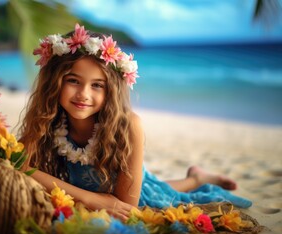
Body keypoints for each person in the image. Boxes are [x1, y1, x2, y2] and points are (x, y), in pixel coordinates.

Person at [19, 23, 252, 221]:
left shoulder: (129, 125)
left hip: (130, 195)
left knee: (158, 193)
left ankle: (197, 179)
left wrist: (89, 198)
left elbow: (126, 205)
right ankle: (196, 177)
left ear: (111, 89)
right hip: (99, 195)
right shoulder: (48, 119)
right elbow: (16, 162)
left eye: (97, 85)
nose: (84, 94)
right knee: (158, 185)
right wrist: (89, 198)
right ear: (55, 82)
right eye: (73, 81)